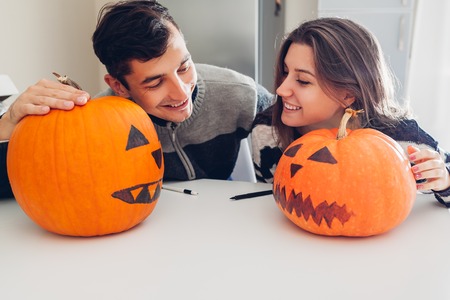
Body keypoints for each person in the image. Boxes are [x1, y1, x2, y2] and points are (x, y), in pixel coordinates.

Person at [0, 0, 272, 198]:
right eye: (155, 82)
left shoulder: (239, 93)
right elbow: (30, 183)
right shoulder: (100, 124)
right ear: (119, 86)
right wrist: (9, 123)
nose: (180, 92)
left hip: (221, 218)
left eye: (184, 67)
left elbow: (300, 136)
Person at [251, 17, 450, 207]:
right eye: (285, 72)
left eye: (303, 81)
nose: (281, 90)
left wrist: (444, 181)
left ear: (348, 94)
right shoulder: (266, 131)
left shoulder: (404, 142)